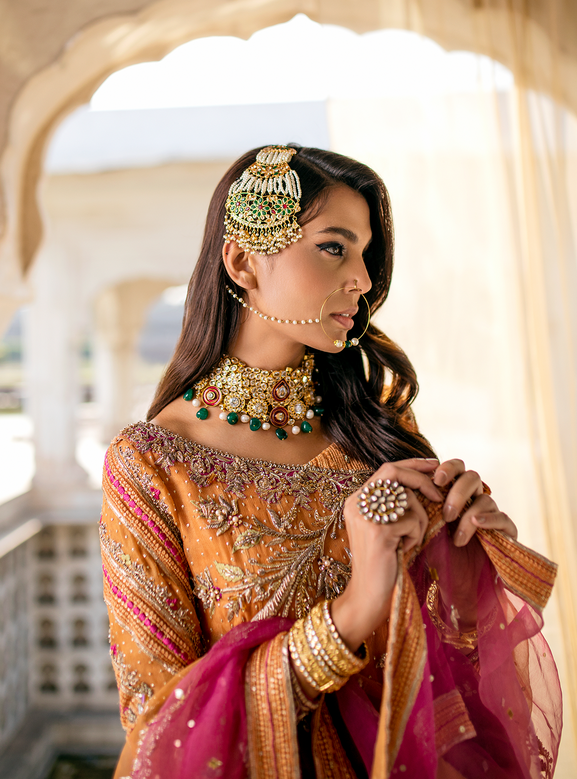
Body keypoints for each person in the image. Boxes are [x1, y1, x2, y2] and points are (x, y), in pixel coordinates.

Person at [101, 146, 561, 779]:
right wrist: (355, 609)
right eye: (333, 247)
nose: (364, 280)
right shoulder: (153, 465)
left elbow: (440, 669)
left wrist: (467, 572)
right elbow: (161, 730)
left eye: (366, 254)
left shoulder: (377, 429)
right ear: (242, 261)